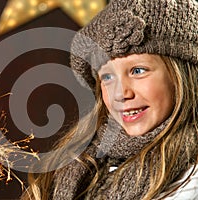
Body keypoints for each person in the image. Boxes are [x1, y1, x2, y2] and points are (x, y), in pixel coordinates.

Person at [21, 0, 198, 199]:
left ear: (182, 76)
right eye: (107, 77)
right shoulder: (82, 165)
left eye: (138, 71)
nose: (120, 93)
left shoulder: (190, 181)